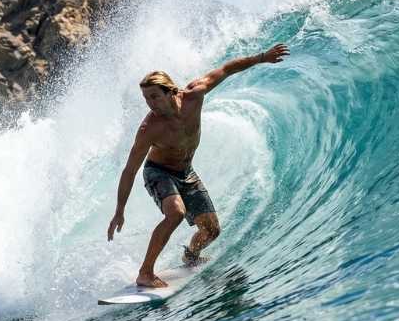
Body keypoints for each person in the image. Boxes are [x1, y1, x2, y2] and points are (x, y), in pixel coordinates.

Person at [107, 43, 289, 288]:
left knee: (211, 231)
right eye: (146, 98)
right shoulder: (149, 128)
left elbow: (225, 69)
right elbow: (130, 169)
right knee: (176, 213)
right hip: (158, 172)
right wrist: (120, 210)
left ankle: (191, 256)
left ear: (170, 91)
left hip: (186, 172)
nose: (150, 103)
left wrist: (262, 57)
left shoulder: (195, 95)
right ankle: (145, 272)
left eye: (154, 96)